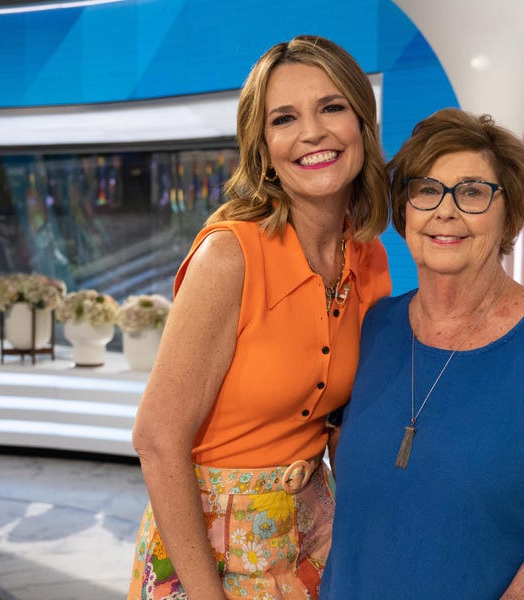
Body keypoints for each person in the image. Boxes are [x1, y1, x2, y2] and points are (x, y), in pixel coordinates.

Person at [321, 108, 524, 599]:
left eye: (472, 192)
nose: (445, 211)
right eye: (426, 190)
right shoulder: (375, 326)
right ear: (405, 210)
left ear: (508, 214)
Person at [127, 35, 391, 600]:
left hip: (314, 537)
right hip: (207, 549)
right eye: (284, 118)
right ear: (263, 148)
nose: (312, 133)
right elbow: (156, 439)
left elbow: (343, 423)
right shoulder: (229, 256)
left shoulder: (369, 256)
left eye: (331, 107)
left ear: (362, 125)